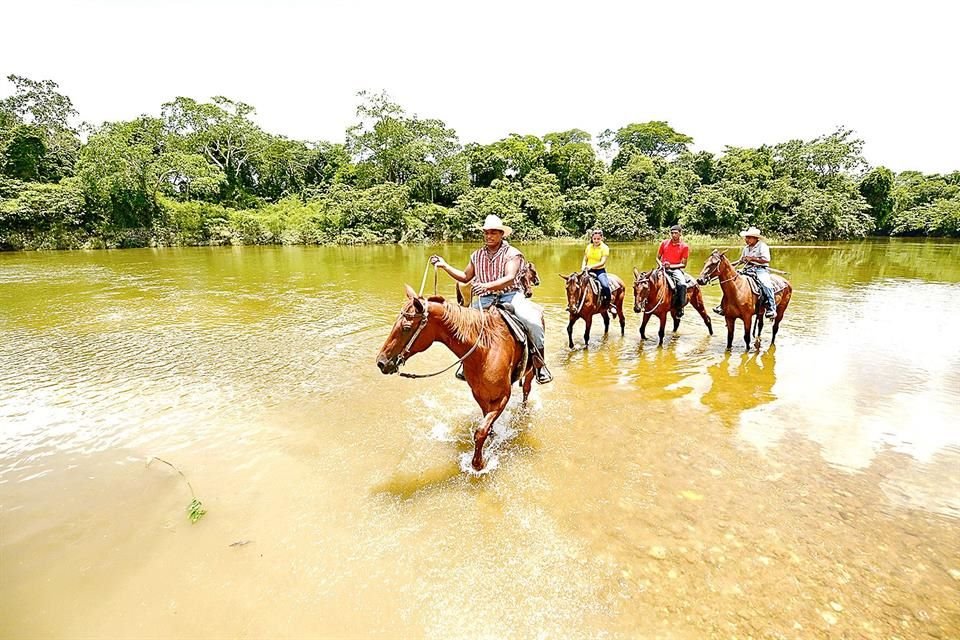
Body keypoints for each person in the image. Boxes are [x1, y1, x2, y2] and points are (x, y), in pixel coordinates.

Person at [430, 214, 552, 384]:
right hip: (485, 298)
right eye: (486, 233)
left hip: (510, 295)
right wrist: (445, 266)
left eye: (493, 233)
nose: (489, 236)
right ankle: (466, 363)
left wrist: (486, 286)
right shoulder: (477, 255)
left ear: (502, 234)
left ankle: (539, 365)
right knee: (464, 325)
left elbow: (510, 277)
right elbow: (465, 277)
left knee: (532, 322)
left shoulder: (513, 254)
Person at [737, 226, 777, 319]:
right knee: (732, 281)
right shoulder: (746, 248)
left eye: (749, 238)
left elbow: (766, 259)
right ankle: (724, 305)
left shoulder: (762, 246)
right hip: (747, 269)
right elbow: (741, 260)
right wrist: (742, 260)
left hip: (760, 269)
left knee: (766, 284)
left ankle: (771, 308)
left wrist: (752, 258)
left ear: (755, 238)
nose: (746, 240)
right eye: (746, 237)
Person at [657, 224, 690, 317]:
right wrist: (660, 265)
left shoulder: (684, 246)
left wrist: (670, 266)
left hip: (675, 269)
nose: (673, 235)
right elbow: (657, 258)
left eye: (676, 233)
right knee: (647, 281)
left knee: (682, 284)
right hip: (662, 268)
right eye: (672, 233)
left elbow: (683, 264)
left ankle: (680, 307)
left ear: (680, 234)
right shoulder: (664, 243)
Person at [581, 229, 612, 309]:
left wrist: (591, 266)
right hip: (587, 270)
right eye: (594, 239)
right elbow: (585, 259)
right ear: (592, 238)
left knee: (605, 285)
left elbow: (602, 262)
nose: (596, 241)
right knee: (575, 283)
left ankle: (608, 304)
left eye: (598, 239)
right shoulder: (589, 247)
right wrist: (583, 267)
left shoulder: (605, 248)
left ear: (601, 238)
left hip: (599, 270)